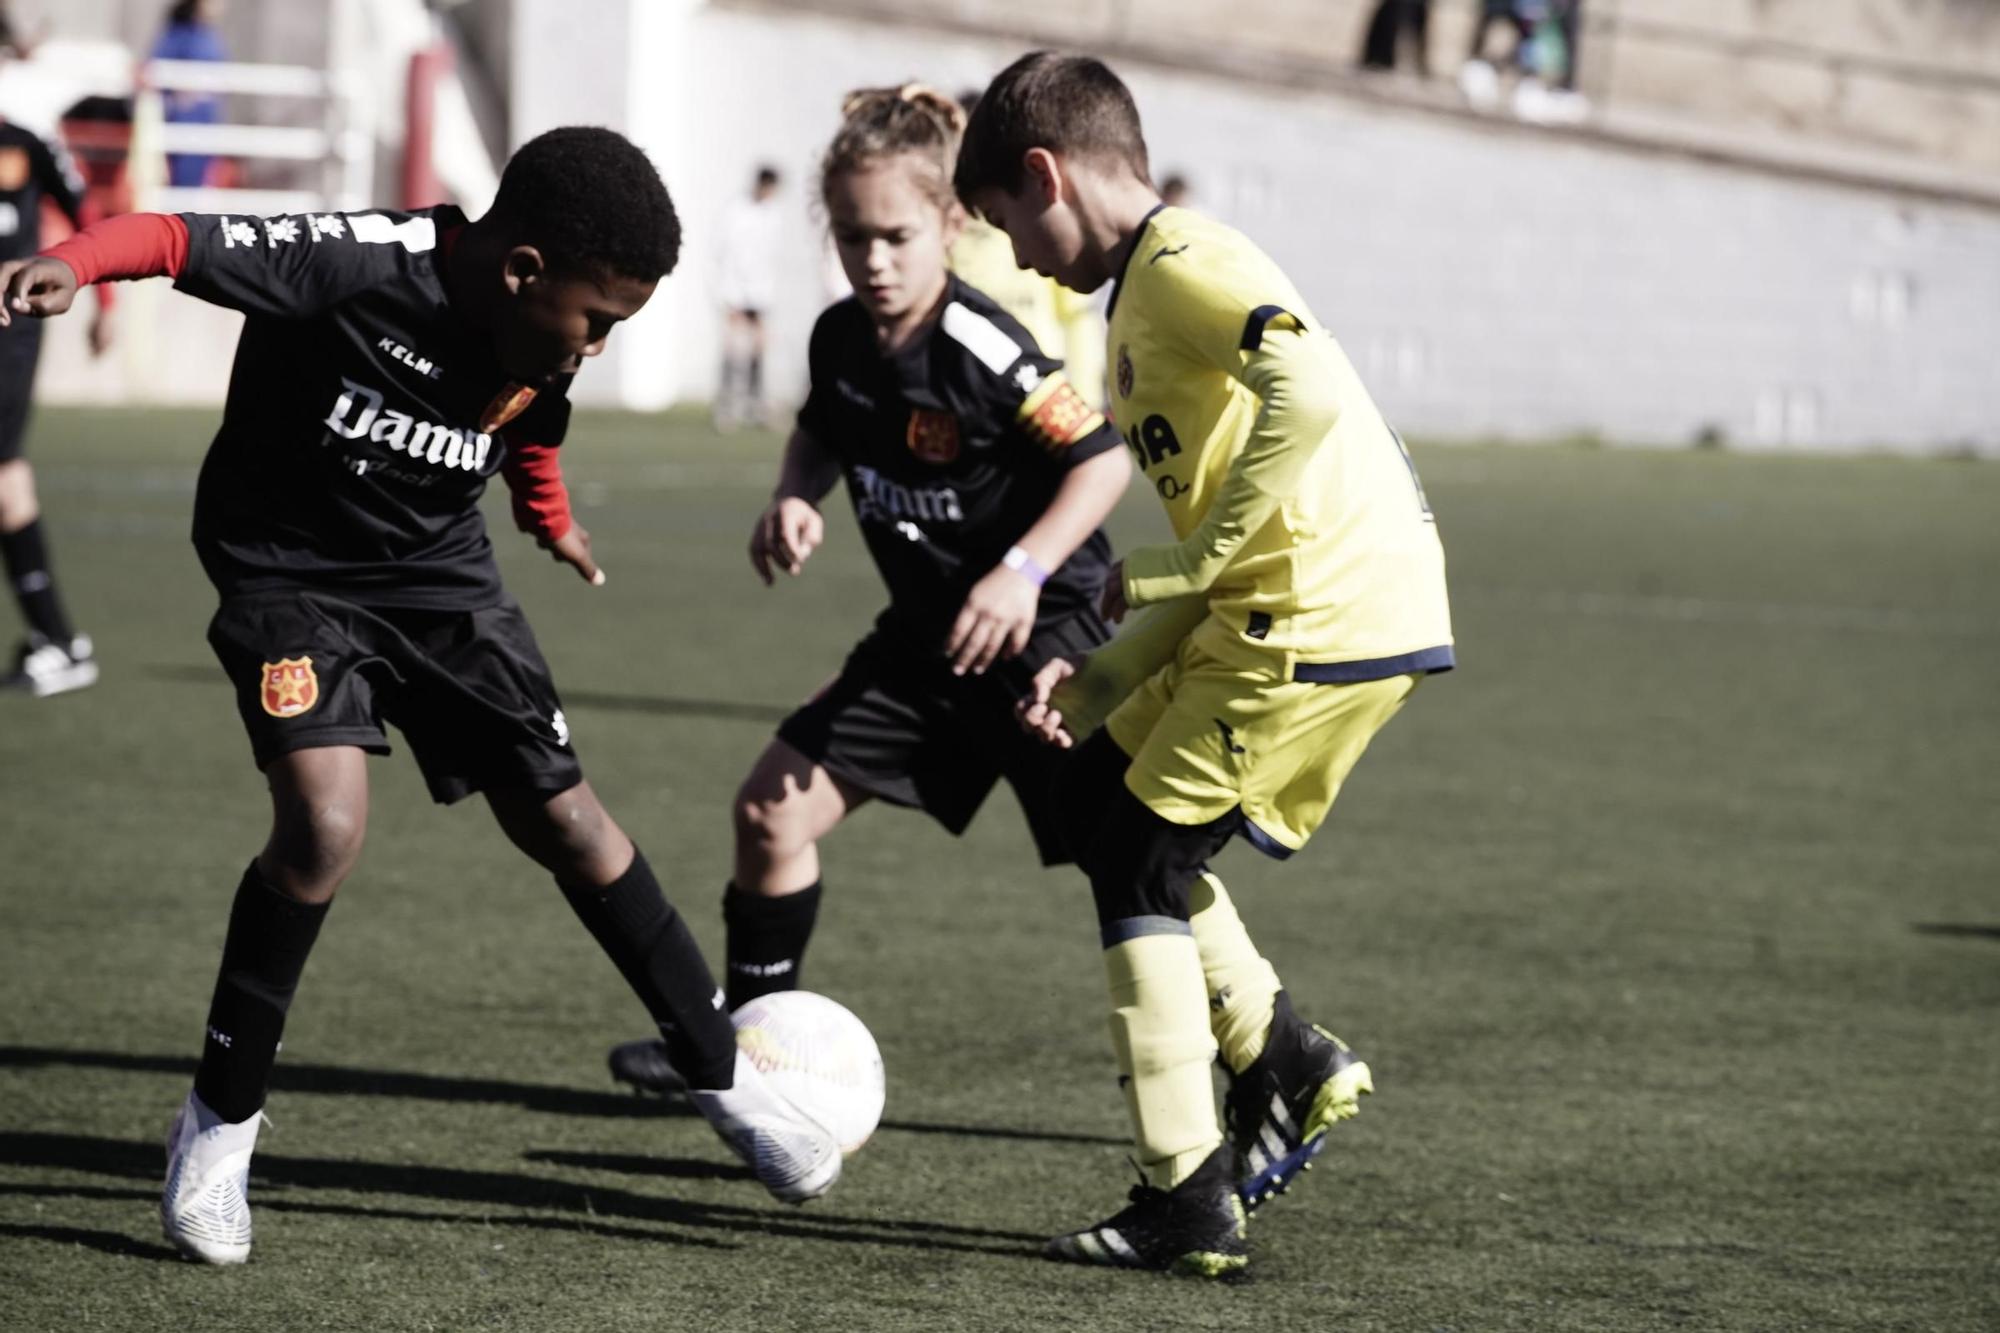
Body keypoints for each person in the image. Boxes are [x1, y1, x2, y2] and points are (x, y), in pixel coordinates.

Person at [0, 126, 842, 1266]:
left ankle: (721, 1074)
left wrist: (549, 520)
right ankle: (217, 1128)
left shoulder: (543, 342)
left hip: (444, 585)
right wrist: (77, 263)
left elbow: (527, 427)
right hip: (287, 573)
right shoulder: (355, 259)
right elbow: (176, 236)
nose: (597, 346)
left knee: (569, 819)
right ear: (521, 270)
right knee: (324, 824)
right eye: (599, 320)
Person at [956, 52, 1454, 1275]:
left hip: (1315, 615)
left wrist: (1192, 566)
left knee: (1136, 851)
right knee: (1089, 796)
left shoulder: (1182, 265)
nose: (1017, 256)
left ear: (1045, 174)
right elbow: (1215, 533)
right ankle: (1282, 1059)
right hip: (1284, 610)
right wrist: (1095, 683)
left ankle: (1182, 1193)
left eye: (1009, 225)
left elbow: (1308, 396)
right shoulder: (1144, 294)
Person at [605, 84, 1131, 1095]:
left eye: (894, 235)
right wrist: (794, 496)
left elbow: (1100, 461)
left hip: (1046, 647)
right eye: (851, 238)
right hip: (927, 645)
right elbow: (821, 430)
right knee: (770, 813)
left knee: (1136, 874)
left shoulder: (981, 348)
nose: (873, 260)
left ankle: (1263, 1061)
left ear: (947, 222)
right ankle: (737, 1057)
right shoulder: (840, 338)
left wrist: (1019, 574)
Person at [0, 30, 115, 696]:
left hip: (8, 331)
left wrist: (106, 303)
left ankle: (59, 639)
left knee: (7, 477)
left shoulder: (24, 141)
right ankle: (58, 638)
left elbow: (86, 214)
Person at [947, 89, 1105, 409]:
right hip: (965, 403)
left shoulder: (1034, 227)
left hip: (1041, 401)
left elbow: (1078, 319)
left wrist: (1085, 401)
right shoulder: (943, 235)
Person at [714, 164, 782, 430]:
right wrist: (727, 296)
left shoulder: (773, 214)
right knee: (733, 349)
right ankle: (727, 406)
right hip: (735, 292)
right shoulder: (735, 212)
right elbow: (723, 254)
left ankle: (756, 404)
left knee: (759, 349)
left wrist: (767, 295)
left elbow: (769, 258)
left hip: (760, 293)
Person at [150, 0, 228, 189]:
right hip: (185, 117)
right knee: (182, 180)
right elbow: (157, 68)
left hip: (207, 118)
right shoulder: (179, 33)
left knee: (201, 180)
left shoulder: (209, 35)